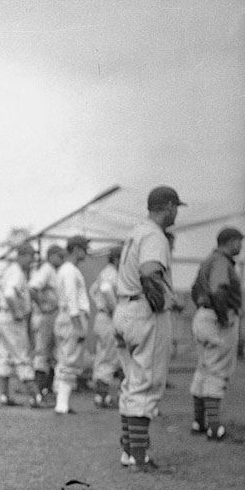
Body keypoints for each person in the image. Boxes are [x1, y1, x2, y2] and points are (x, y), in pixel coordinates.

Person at [113, 185, 184, 472]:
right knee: (147, 382)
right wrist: (162, 301)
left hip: (124, 308)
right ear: (167, 207)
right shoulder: (154, 234)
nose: (177, 212)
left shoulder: (136, 230)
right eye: (176, 207)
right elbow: (149, 271)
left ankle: (129, 451)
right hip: (143, 310)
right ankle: (139, 458)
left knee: (132, 382)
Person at [189, 227, 245, 440]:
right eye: (239, 241)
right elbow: (218, 289)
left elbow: (195, 290)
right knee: (217, 371)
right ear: (230, 241)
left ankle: (198, 421)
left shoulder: (208, 259)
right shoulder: (221, 260)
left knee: (203, 369)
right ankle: (213, 427)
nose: (240, 245)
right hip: (216, 318)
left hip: (203, 316)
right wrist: (222, 317)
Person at [0, 242, 41, 407]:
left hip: (3, 317)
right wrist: (18, 313)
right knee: (22, 356)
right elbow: (9, 294)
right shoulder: (17, 272)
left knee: (5, 356)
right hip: (12, 318)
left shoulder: (13, 271)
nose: (32, 260)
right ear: (21, 256)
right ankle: (36, 397)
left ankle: (4, 396)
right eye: (30, 256)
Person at [52, 235, 91, 414]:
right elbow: (71, 298)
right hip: (71, 317)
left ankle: (61, 401)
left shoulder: (66, 269)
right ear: (75, 249)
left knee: (64, 358)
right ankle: (62, 404)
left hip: (65, 316)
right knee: (70, 360)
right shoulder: (69, 270)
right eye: (84, 248)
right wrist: (77, 325)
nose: (86, 251)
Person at [28, 244, 65, 401]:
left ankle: (46, 389)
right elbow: (32, 288)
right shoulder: (47, 268)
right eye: (59, 256)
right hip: (46, 315)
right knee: (43, 353)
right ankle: (40, 389)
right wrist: (42, 305)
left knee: (50, 353)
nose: (62, 259)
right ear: (51, 255)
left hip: (52, 314)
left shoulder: (54, 270)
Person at [89, 245, 123, 408]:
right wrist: (114, 308)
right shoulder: (111, 272)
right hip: (108, 317)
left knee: (103, 355)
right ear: (116, 258)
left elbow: (93, 290)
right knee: (108, 357)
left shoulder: (106, 272)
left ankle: (100, 396)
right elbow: (105, 289)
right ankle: (102, 397)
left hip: (102, 316)